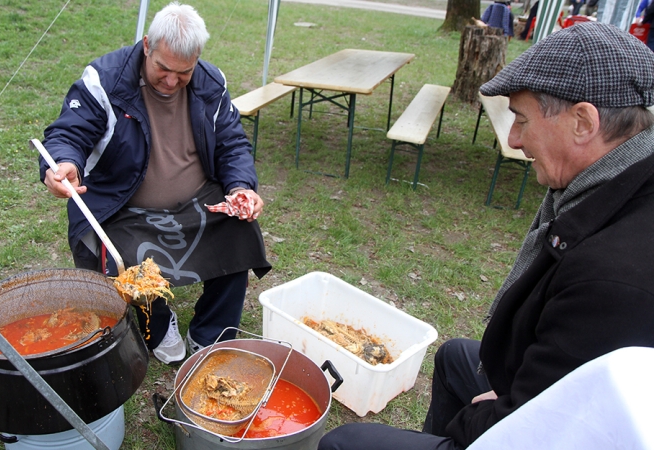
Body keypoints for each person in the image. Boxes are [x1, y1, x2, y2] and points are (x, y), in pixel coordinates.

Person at [318, 22, 654, 450]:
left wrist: (498, 406)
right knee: (455, 356)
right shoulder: (619, 181)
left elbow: (541, 424)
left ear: (583, 122)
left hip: (563, 431)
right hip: (548, 387)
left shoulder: (613, 279)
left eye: (522, 119)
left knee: (344, 443)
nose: (514, 139)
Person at [39, 2, 271, 365]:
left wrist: (242, 185)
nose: (171, 81)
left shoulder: (211, 82)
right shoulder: (105, 79)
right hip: (124, 203)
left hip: (197, 200)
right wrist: (64, 163)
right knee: (128, 258)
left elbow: (232, 143)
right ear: (147, 45)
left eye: (184, 72)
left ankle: (212, 331)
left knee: (240, 231)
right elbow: (69, 131)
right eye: (163, 68)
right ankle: (159, 325)